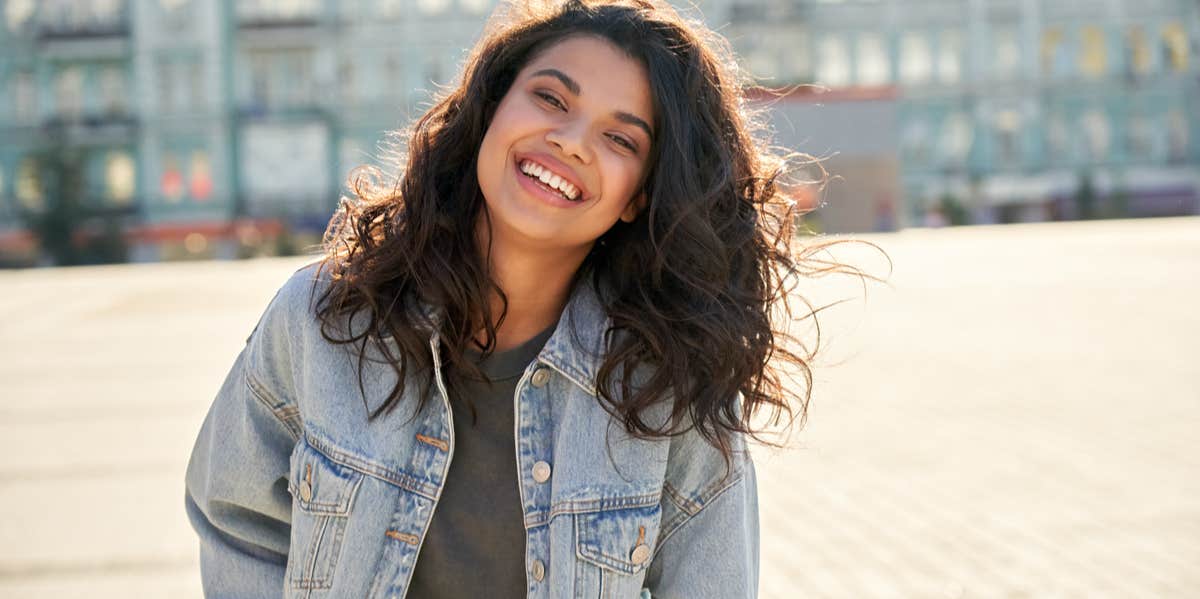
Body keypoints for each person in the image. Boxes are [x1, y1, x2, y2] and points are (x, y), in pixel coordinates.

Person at [185, 0, 837, 596]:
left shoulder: (671, 394)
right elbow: (235, 516)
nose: (571, 140)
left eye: (620, 139)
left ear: (638, 195)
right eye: (551, 99)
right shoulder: (325, 317)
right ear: (493, 108)